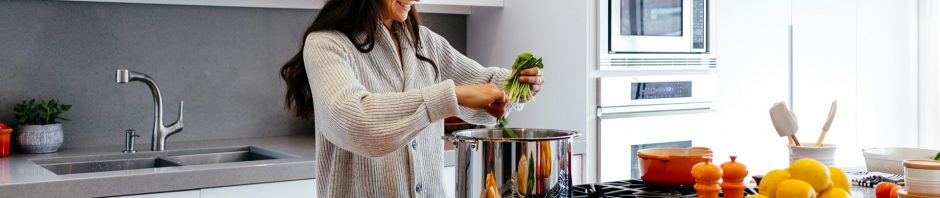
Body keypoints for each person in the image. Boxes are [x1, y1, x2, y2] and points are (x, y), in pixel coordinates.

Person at [279, 0, 544, 196]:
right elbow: (355, 121)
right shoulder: (327, 45)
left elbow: (484, 85)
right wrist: (450, 96)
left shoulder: (425, 43)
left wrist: (517, 85)